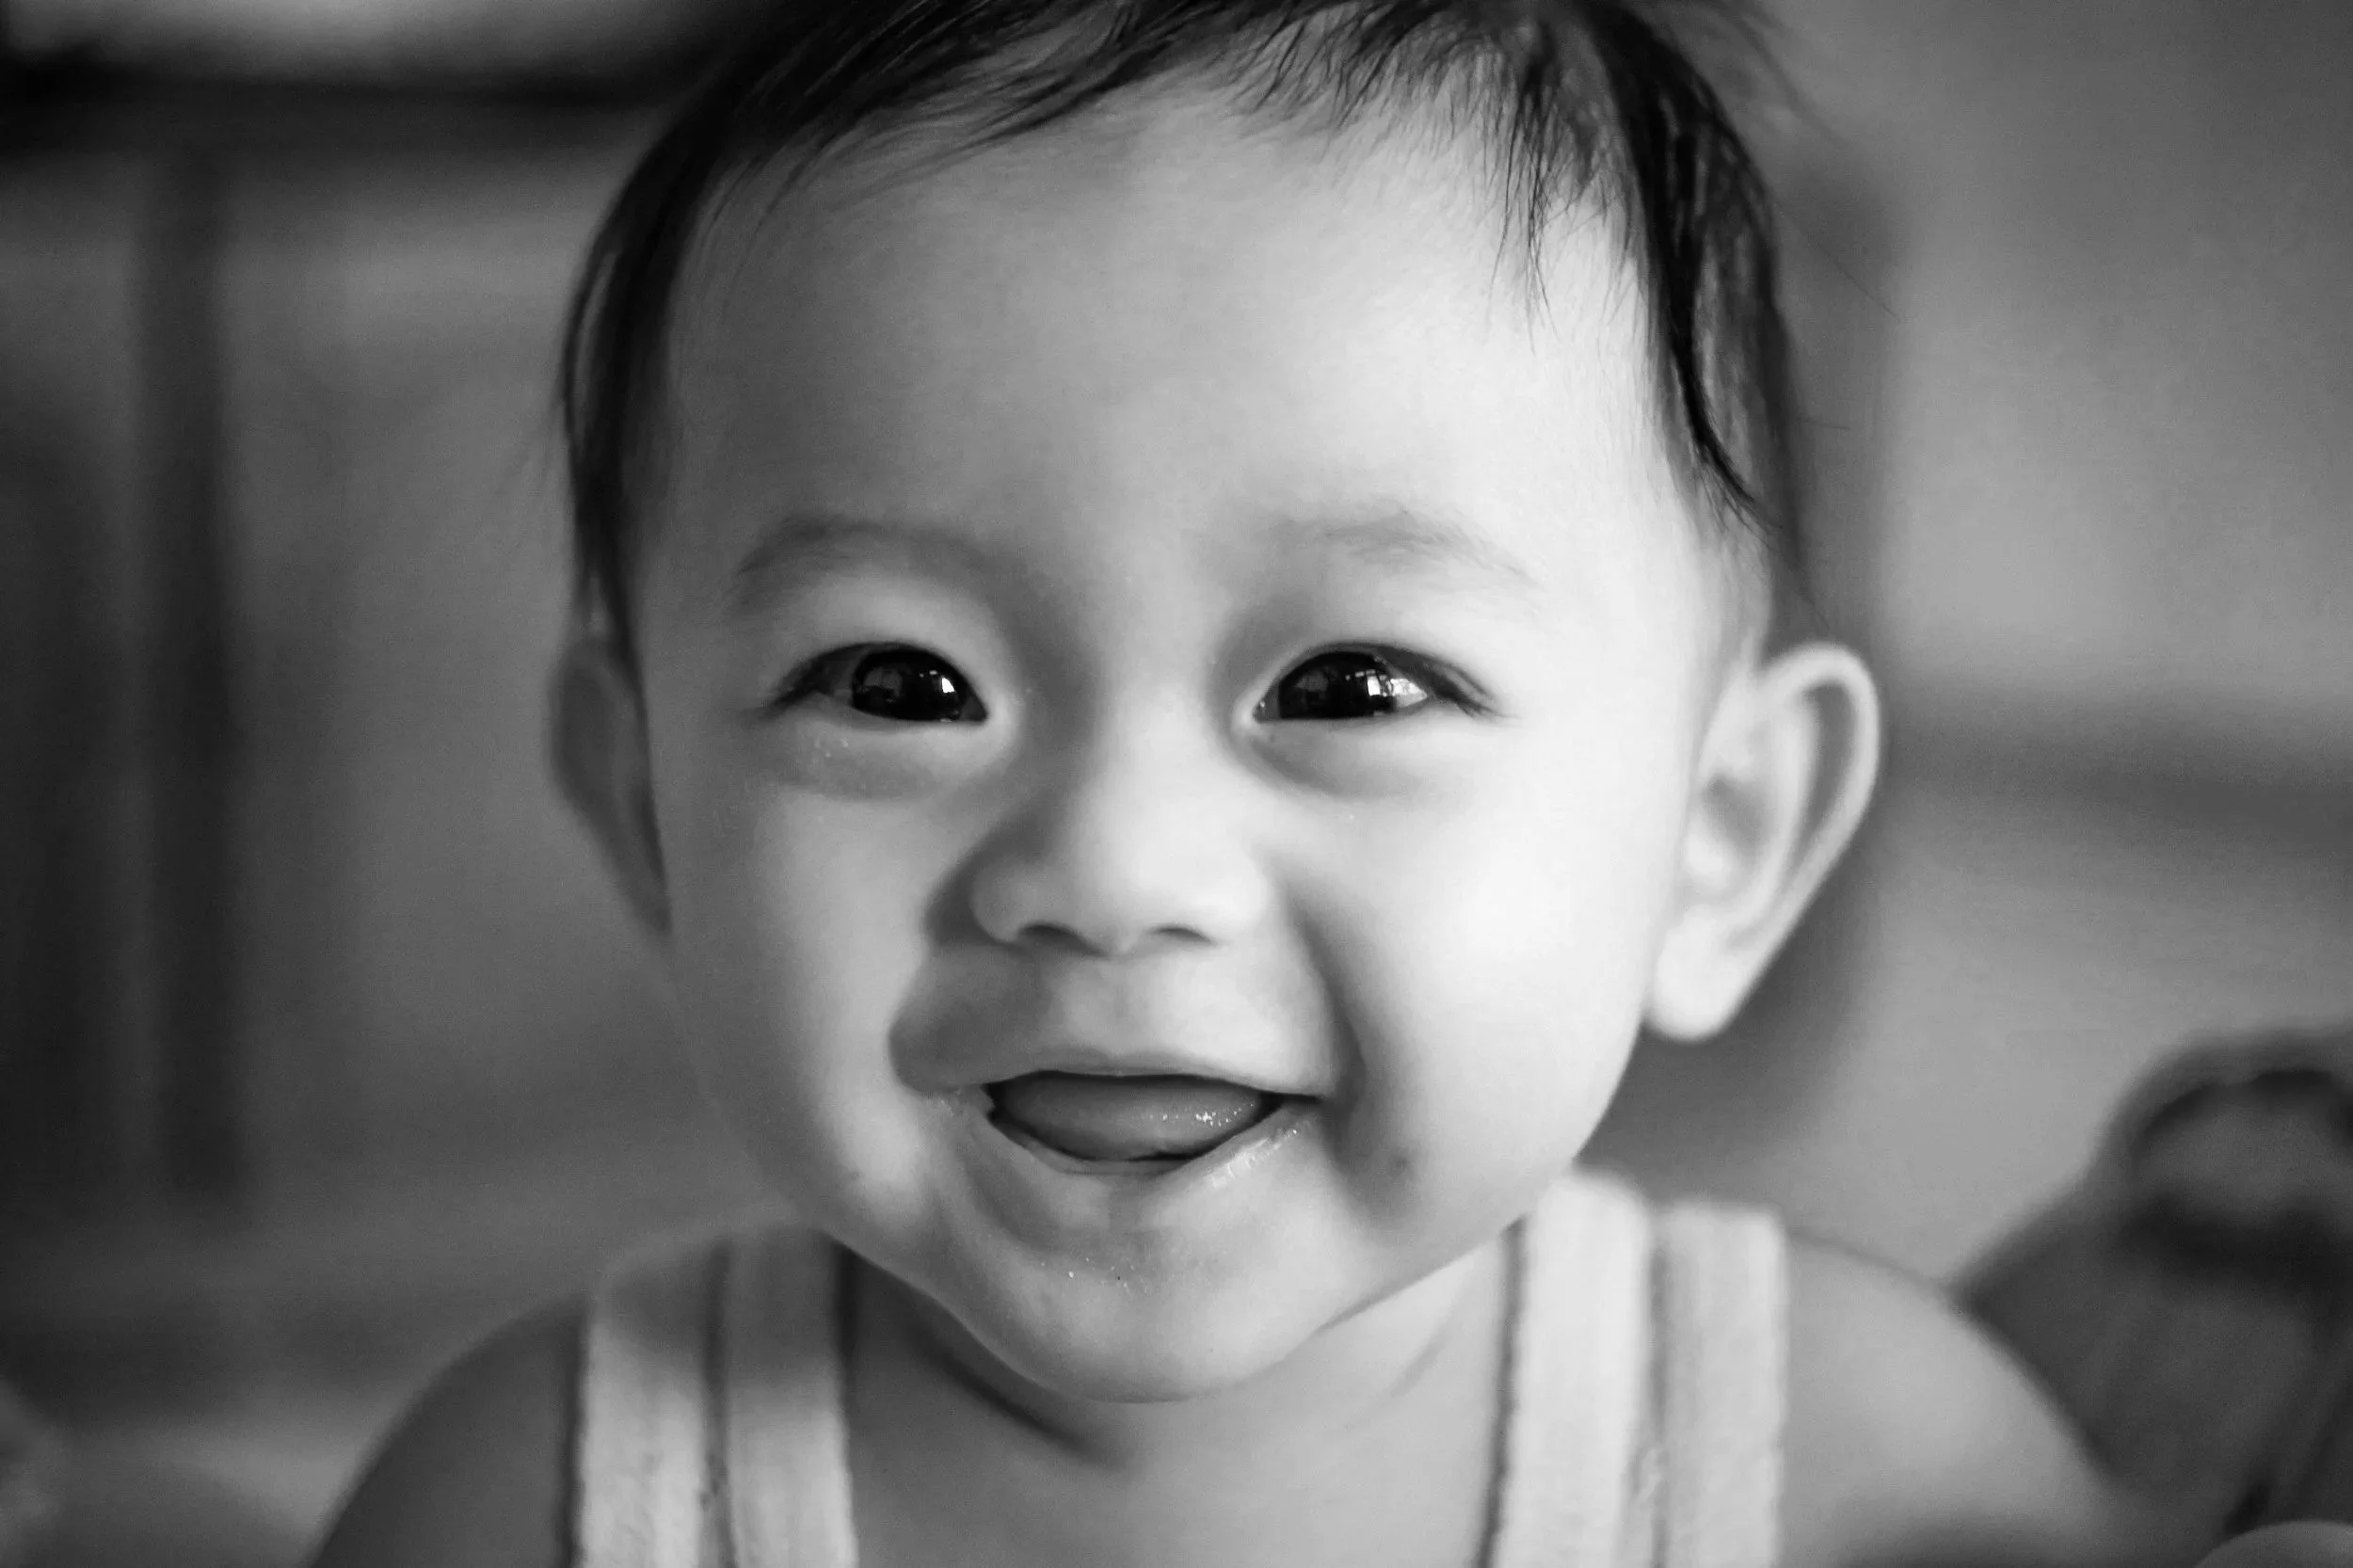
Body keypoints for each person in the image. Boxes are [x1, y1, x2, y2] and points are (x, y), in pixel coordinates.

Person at [304, 2, 2331, 1564]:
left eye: (1349, 680)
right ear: (647, 810)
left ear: (1717, 842)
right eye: (897, 680)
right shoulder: (537, 1496)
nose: (1107, 868)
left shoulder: (1861, 1470)